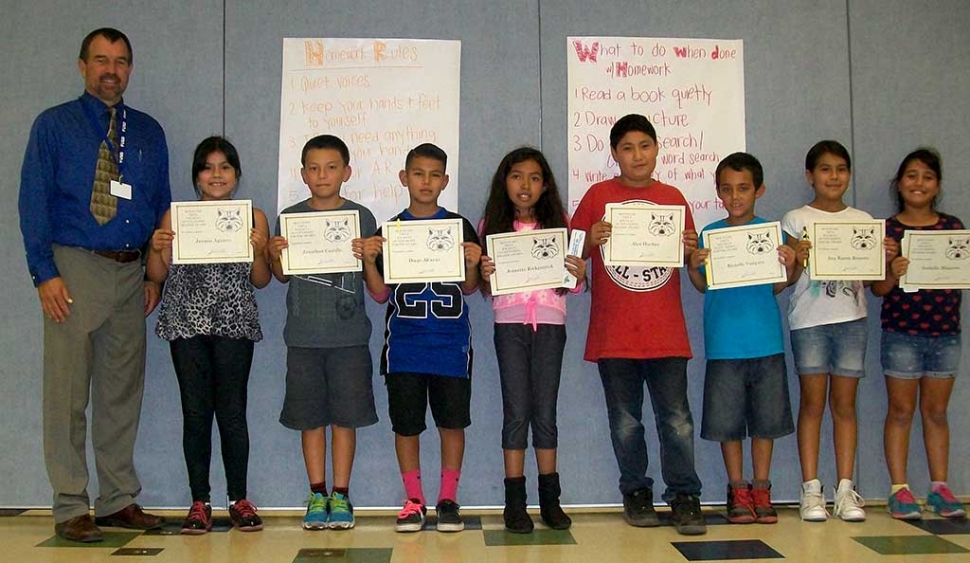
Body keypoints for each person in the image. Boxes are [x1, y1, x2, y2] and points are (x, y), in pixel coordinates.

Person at [18, 28, 169, 543]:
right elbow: (32, 201)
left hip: (131, 273)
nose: (112, 70)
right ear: (82, 66)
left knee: (121, 394)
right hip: (73, 267)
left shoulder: (148, 132)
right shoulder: (54, 126)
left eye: (121, 61)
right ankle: (69, 505)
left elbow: (160, 208)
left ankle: (117, 499)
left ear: (130, 68)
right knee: (66, 394)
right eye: (101, 60)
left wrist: (154, 274)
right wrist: (45, 273)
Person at [570, 114, 706, 536]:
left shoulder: (673, 197)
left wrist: (690, 252)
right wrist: (591, 238)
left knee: (677, 420)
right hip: (615, 335)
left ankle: (685, 497)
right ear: (614, 154)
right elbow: (570, 260)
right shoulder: (597, 196)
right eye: (627, 148)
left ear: (657, 149)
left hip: (665, 332)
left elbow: (695, 267)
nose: (637, 155)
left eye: (644, 146)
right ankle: (636, 492)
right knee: (625, 421)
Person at [146, 136, 270, 534]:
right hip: (186, 323)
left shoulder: (255, 218)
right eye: (207, 167)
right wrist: (157, 248)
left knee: (233, 413)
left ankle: (239, 499)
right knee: (196, 414)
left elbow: (262, 281)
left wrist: (259, 250)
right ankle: (199, 501)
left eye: (225, 167)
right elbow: (158, 275)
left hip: (234, 323)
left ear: (236, 174)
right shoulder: (174, 217)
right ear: (196, 174)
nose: (216, 175)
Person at [360, 143, 482, 533]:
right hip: (405, 347)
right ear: (404, 178)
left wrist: (472, 263)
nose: (425, 181)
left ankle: (448, 499)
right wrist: (367, 260)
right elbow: (379, 294)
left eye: (434, 175)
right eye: (418, 173)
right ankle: (414, 500)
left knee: (452, 424)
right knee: (406, 426)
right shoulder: (388, 231)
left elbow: (468, 288)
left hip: (450, 345)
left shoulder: (459, 226)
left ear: (445, 181)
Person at [267, 135, 379, 530]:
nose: (322, 175)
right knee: (309, 419)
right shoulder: (289, 217)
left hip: (349, 337)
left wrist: (368, 254)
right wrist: (273, 253)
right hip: (303, 337)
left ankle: (342, 495)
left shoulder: (362, 218)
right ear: (302, 174)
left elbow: (378, 287)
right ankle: (317, 494)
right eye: (313, 168)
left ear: (346, 172)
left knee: (345, 419)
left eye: (331, 167)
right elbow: (281, 276)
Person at [781, 140, 895, 522]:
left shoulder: (863, 221)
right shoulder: (795, 219)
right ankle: (811, 489)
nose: (834, 176)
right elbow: (786, 278)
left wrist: (887, 261)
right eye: (825, 169)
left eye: (841, 169)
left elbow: (875, 283)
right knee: (812, 404)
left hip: (851, 321)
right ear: (810, 176)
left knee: (845, 406)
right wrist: (796, 255)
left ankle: (846, 489)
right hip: (810, 322)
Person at [478, 147, 586, 533]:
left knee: (545, 411)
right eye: (517, 176)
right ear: (504, 182)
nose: (525, 185)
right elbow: (484, 287)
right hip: (508, 325)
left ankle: (550, 500)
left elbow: (574, 286)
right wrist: (486, 272)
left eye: (535, 177)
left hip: (550, 325)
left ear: (545, 185)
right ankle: (515, 502)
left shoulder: (562, 226)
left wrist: (578, 270)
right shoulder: (492, 224)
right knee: (515, 411)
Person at [687, 153, 796, 525]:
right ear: (718, 192)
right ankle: (737, 488)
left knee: (766, 422)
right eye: (727, 189)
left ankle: (762, 488)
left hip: (766, 341)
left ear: (759, 190)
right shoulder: (709, 234)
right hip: (723, 344)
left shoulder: (774, 233)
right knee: (727, 423)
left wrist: (793, 264)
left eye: (744, 189)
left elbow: (779, 286)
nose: (735, 197)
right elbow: (703, 286)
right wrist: (692, 265)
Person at [871, 148, 966, 520]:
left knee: (937, 412)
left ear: (937, 185)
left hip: (945, 335)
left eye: (927, 176)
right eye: (912, 176)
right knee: (900, 410)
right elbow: (878, 289)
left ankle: (940, 487)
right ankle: (900, 489)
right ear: (899, 183)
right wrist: (894, 269)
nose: (919, 183)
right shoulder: (889, 231)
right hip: (901, 333)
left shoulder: (953, 227)